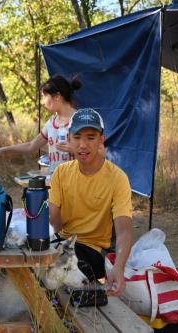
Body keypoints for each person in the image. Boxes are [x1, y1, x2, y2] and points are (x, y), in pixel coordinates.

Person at [48, 108, 133, 296]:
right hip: (63, 243)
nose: (83, 145)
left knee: (62, 276)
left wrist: (118, 268)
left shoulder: (118, 178)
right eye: (77, 137)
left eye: (90, 137)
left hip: (92, 251)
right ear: (69, 139)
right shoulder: (60, 174)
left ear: (101, 140)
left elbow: (124, 230)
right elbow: (53, 223)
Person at [0, 75, 81, 175]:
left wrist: (75, 150)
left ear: (57, 96)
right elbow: (31, 145)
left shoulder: (81, 121)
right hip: (56, 183)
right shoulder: (51, 123)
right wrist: (2, 150)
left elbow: (96, 153)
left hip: (77, 183)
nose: (42, 102)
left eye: (44, 96)